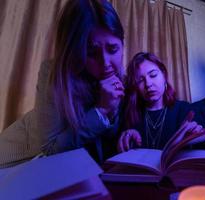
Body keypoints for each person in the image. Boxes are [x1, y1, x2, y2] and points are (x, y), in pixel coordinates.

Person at [0, 0, 125, 167]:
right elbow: (48, 151)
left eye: (113, 49)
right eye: (92, 52)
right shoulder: (53, 74)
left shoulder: (119, 80)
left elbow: (107, 141)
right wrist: (101, 110)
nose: (105, 63)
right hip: (15, 165)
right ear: (75, 52)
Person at [117, 52, 201, 152]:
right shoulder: (129, 113)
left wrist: (192, 139)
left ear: (164, 76)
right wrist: (125, 140)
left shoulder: (184, 110)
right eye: (140, 80)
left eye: (153, 75)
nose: (148, 84)